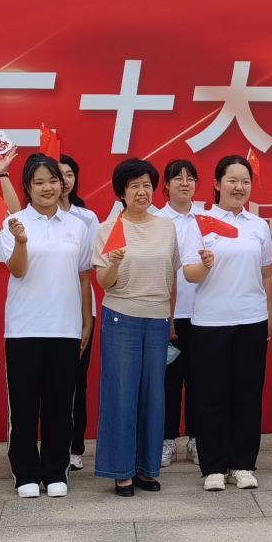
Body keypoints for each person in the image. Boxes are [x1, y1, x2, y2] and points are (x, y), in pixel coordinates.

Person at [0, 153, 91, 498]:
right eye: (38, 182)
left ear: (62, 184)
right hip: (24, 328)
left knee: (59, 405)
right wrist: (22, 241)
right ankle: (25, 472)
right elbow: (18, 270)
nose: (47, 187)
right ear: (27, 187)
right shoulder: (14, 223)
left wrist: (86, 321)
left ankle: (55, 470)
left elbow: (83, 278)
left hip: (65, 328)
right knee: (23, 406)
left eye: (53, 180)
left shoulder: (77, 226)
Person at [183, 154, 272, 490]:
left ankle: (243, 464)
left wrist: (270, 315)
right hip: (211, 321)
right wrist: (205, 264)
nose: (239, 187)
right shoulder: (200, 222)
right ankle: (213, 468)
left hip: (252, 318)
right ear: (217, 184)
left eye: (245, 181)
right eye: (232, 181)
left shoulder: (258, 225)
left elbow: (267, 275)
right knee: (211, 395)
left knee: (248, 394)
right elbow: (190, 274)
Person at [92, 157, 178, 496]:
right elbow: (104, 282)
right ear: (121, 193)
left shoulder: (166, 227)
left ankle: (147, 468)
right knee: (121, 394)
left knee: (154, 396)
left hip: (158, 319)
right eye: (134, 186)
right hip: (121, 317)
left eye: (146, 185)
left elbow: (172, 275)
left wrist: (170, 317)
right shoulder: (108, 228)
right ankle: (121, 471)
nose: (142, 191)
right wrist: (114, 263)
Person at [157, 158, 200, 469]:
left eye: (190, 178)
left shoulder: (207, 218)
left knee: (200, 379)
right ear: (166, 186)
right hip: (166, 313)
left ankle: (197, 439)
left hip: (203, 313)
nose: (185, 183)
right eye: (178, 178)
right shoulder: (156, 220)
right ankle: (167, 440)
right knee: (168, 381)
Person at [58, 152, 100, 470]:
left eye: (69, 174)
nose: (64, 181)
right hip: (47, 310)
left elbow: (92, 264)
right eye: (58, 174)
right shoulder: (30, 218)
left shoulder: (86, 218)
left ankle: (74, 446)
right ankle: (52, 444)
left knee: (76, 381)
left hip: (83, 307)